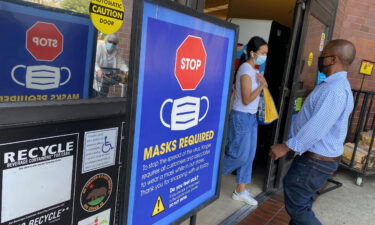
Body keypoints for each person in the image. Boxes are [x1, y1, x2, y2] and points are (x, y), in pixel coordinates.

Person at [269, 39, 356, 225]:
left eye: (322, 55)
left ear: (332, 59)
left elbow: (317, 128)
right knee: (302, 203)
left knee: (298, 206)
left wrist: (286, 147)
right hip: (318, 159)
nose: (319, 58)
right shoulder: (334, 86)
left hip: (315, 161)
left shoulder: (335, 90)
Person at [222, 36, 268, 206]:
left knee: (249, 156)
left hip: (250, 117)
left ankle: (240, 191)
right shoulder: (245, 70)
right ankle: (208, 177)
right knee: (239, 156)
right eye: (262, 53)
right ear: (252, 53)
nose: (265, 56)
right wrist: (262, 85)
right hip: (241, 116)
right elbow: (247, 99)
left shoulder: (253, 70)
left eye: (266, 53)